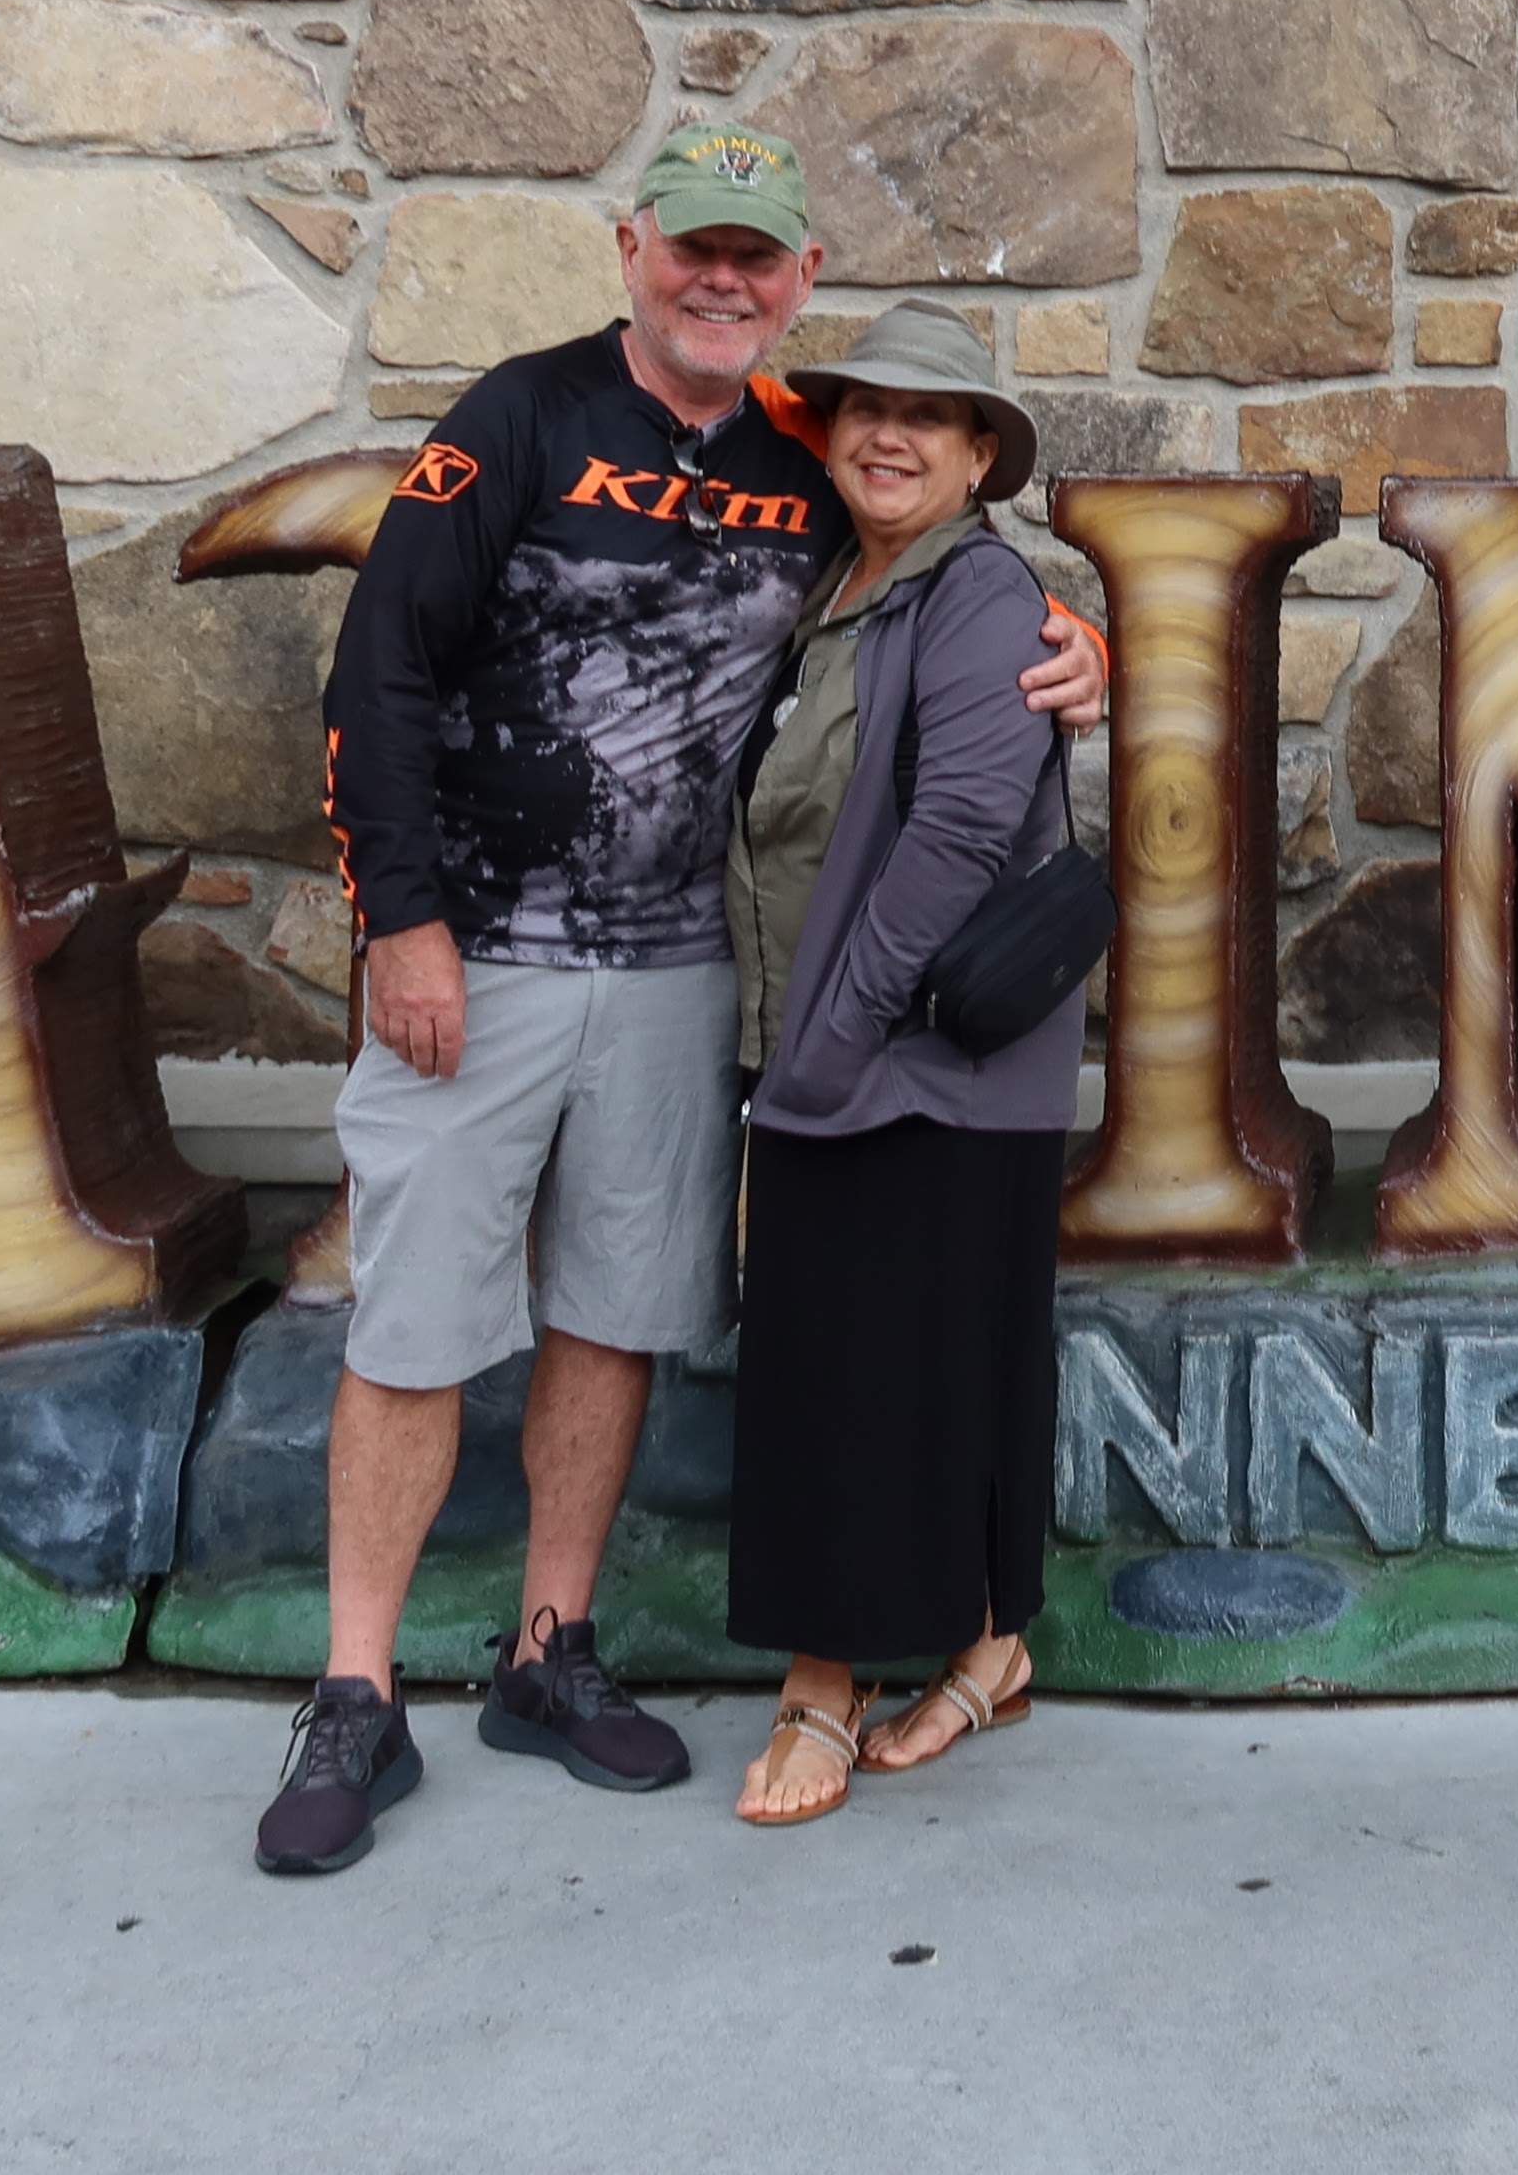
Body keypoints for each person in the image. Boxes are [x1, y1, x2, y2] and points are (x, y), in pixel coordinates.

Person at [257, 129, 1105, 1877]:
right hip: (480, 960)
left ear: (798, 282)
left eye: (756, 257)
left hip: (681, 977)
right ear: (631, 249)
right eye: (694, 250)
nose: (723, 282)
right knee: (415, 1320)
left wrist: (1080, 644)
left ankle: (549, 1650)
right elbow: (382, 667)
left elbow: (940, 569)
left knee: (615, 1312)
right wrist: (398, 922)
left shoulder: (808, 454)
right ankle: (353, 1690)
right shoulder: (520, 417)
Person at [716, 302, 1091, 1828]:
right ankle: (991, 1650)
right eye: (866, 407)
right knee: (944, 1369)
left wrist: (834, 1033)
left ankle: (822, 1684)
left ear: (980, 455)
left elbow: (958, 838)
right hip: (866, 1058)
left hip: (911, 1067)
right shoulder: (847, 585)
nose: (889, 433)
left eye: (928, 416)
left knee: (845, 1380)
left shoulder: (979, 592)